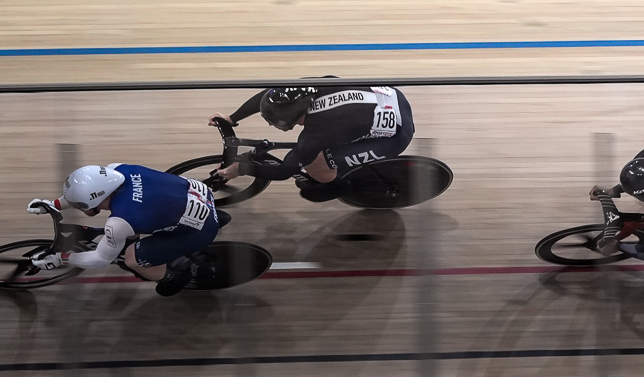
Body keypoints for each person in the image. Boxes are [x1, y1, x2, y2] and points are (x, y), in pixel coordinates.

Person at [34, 161, 219, 297]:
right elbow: (84, 194)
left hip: (199, 231)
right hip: (198, 193)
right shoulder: (115, 169)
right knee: (138, 220)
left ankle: (173, 277)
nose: (77, 207)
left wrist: (61, 259)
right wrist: (52, 204)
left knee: (132, 259)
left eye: (79, 205)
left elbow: (100, 260)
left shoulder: (119, 222)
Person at [215, 82, 414, 202]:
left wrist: (241, 169)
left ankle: (339, 186)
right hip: (391, 97)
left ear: (293, 119)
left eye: (273, 121)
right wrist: (233, 117)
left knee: (315, 166)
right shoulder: (306, 88)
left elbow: (284, 171)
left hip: (395, 136)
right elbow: (272, 94)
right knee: (319, 149)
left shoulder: (317, 132)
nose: (270, 125)